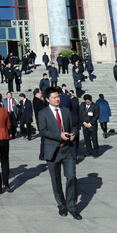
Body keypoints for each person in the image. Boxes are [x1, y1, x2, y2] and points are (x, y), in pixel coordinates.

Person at [37, 87, 80, 218]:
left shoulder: (66, 111)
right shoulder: (43, 113)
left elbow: (74, 126)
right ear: (47, 99)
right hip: (53, 150)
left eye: (58, 97)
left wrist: (73, 134)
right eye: (54, 97)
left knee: (71, 176)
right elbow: (43, 131)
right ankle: (61, 205)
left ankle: (71, 206)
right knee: (56, 180)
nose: (57, 99)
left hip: (67, 149)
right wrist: (59, 136)